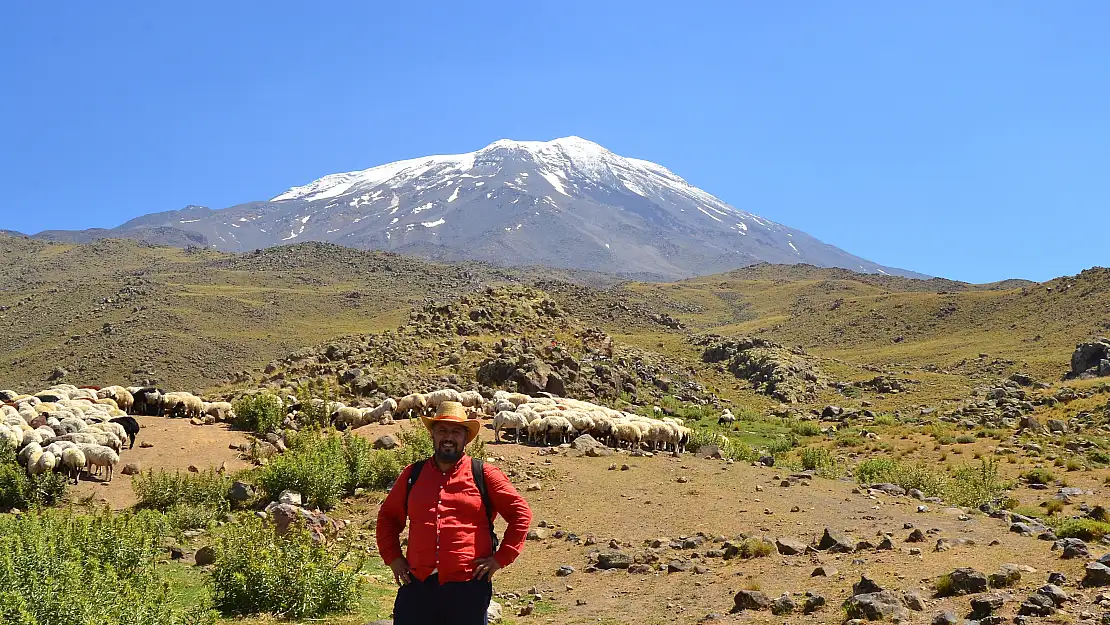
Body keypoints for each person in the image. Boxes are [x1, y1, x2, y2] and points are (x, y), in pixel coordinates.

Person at [376, 401, 532, 625]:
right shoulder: (413, 474)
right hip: (417, 585)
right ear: (433, 435)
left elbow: (521, 513)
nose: (448, 437)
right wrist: (393, 558)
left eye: (456, 431)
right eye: (442, 430)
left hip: (468, 588)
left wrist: (500, 559)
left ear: (465, 438)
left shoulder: (484, 474)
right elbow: (388, 517)